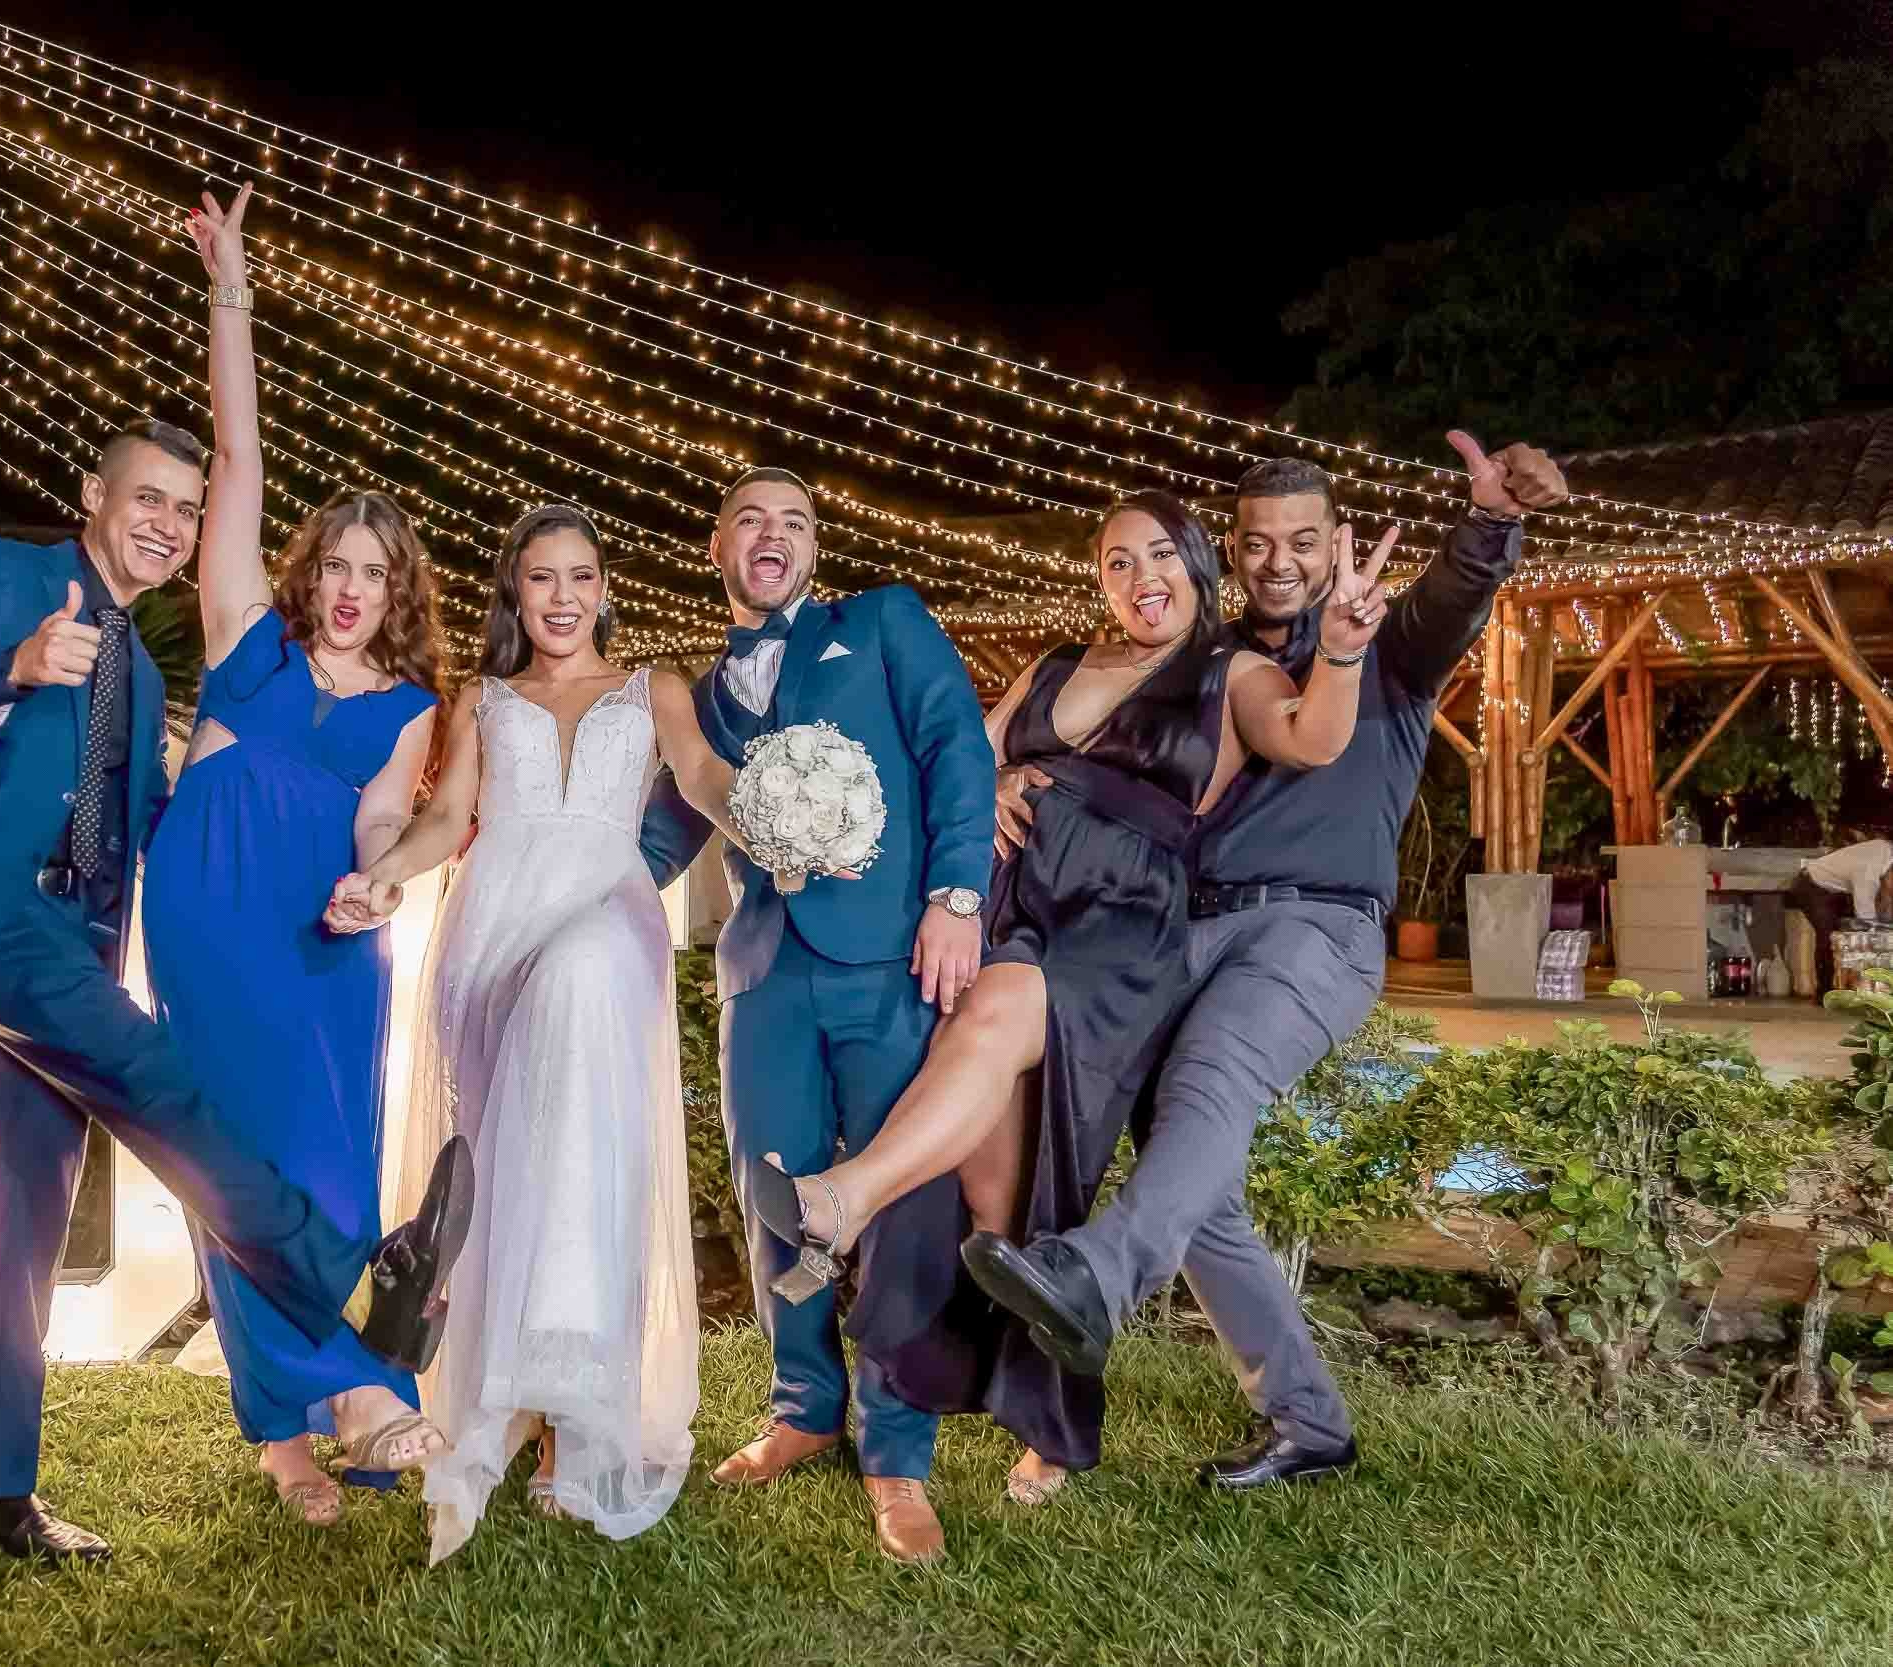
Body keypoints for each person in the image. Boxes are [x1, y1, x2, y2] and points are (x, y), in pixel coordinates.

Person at [0, 198, 474, 1561]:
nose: (170, 526)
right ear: (95, 503)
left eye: (185, 511)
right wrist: (5, 669)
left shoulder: (162, 669)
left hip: (79, 931)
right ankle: (359, 1288)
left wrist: (361, 873)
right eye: (148, 502)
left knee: (30, 1211)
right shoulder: (11, 578)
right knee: (167, 1090)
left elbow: (173, 811)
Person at [741, 489, 1384, 1503]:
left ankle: (844, 1198)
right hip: (1014, 903)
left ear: (1194, 565)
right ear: (1099, 580)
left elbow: (1310, 738)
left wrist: (1340, 648)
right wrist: (991, 789)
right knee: (1001, 1190)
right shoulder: (1050, 668)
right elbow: (958, 756)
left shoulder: (1231, 670)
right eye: (1118, 562)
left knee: (994, 1015)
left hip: (1118, 924)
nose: (1142, 578)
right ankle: (1050, 1424)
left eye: (1160, 555)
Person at [965, 432, 1569, 1491]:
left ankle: (1098, 1276)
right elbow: (1094, 744)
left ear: (1336, 541)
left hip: (1312, 926)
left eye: (1302, 538)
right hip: (1183, 929)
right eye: (1256, 543)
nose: (1279, 559)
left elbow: (1454, 597)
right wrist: (1012, 774)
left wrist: (1488, 524)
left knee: (1207, 1084)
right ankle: (1307, 1421)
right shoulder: (1207, 660)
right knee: (1191, 1173)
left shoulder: (1384, 642)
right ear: (1231, 554)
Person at [332, 505, 742, 1563]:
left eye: (581, 576)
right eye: (540, 578)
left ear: (607, 587)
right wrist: (383, 877)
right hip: (492, 928)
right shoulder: (480, 699)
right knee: (514, 1174)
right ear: (514, 592)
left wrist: (770, 819)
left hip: (605, 916)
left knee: (584, 1130)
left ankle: (571, 1412)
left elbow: (699, 778)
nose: (561, 597)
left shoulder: (653, 689)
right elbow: (442, 817)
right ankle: (509, 1400)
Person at [139, 188, 450, 1528]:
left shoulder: (410, 706)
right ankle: (353, 1395)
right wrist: (232, 292)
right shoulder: (239, 643)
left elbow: (384, 821)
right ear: (305, 565)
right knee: (235, 1170)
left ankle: (289, 1430)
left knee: (320, 1176)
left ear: (396, 593)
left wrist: (374, 881)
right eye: (335, 559)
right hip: (211, 918)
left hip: (330, 942)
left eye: (374, 573)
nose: (347, 585)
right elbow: (239, 451)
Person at [635, 466, 993, 1565]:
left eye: (792, 520)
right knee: (770, 1184)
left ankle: (898, 1447)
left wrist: (955, 896)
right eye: (748, 517)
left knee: (897, 1196)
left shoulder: (880, 623)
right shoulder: (697, 698)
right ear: (717, 546)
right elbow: (658, 838)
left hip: (892, 956)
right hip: (762, 967)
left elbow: (955, 748)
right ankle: (802, 1404)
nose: (770, 533)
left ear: (814, 547)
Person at [1788, 833, 1893, 998]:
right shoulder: (1868, 871)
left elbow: (1885, 903)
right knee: (1831, 937)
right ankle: (1825, 993)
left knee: (1848, 936)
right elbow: (1866, 919)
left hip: (1834, 890)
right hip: (1811, 885)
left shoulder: (1886, 851)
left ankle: (1850, 987)